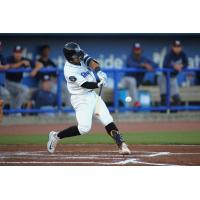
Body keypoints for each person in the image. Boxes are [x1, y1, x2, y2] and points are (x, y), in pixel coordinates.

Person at [47, 42, 131, 155]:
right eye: (76, 56)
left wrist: (99, 72)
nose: (79, 57)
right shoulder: (69, 71)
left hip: (92, 95)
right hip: (80, 98)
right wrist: (98, 84)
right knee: (84, 128)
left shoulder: (79, 55)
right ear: (70, 58)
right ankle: (56, 136)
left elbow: (91, 62)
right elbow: (85, 84)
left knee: (107, 119)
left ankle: (121, 144)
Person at [119, 42, 156, 107]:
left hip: (135, 85)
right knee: (121, 85)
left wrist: (149, 65)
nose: (137, 51)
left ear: (141, 50)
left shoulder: (143, 59)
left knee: (133, 86)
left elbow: (155, 64)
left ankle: (133, 105)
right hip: (126, 80)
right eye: (136, 49)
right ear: (133, 50)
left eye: (138, 49)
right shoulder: (130, 57)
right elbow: (131, 65)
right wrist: (143, 65)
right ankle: (136, 102)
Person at [158, 40, 188, 106]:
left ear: (181, 47)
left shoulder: (182, 54)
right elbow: (165, 65)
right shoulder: (169, 54)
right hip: (164, 77)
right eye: (175, 46)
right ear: (172, 47)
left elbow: (186, 63)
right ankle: (163, 115)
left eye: (178, 46)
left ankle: (173, 115)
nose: (177, 48)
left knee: (177, 99)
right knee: (164, 98)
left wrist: (181, 65)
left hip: (172, 78)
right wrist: (174, 66)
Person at [5, 45, 31, 111]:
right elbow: (11, 66)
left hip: (18, 83)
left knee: (14, 98)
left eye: (19, 52)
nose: (17, 54)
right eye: (16, 52)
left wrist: (35, 69)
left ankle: (13, 112)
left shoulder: (24, 59)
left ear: (22, 53)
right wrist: (21, 62)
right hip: (9, 83)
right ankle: (17, 109)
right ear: (13, 53)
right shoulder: (9, 59)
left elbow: (39, 64)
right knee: (25, 90)